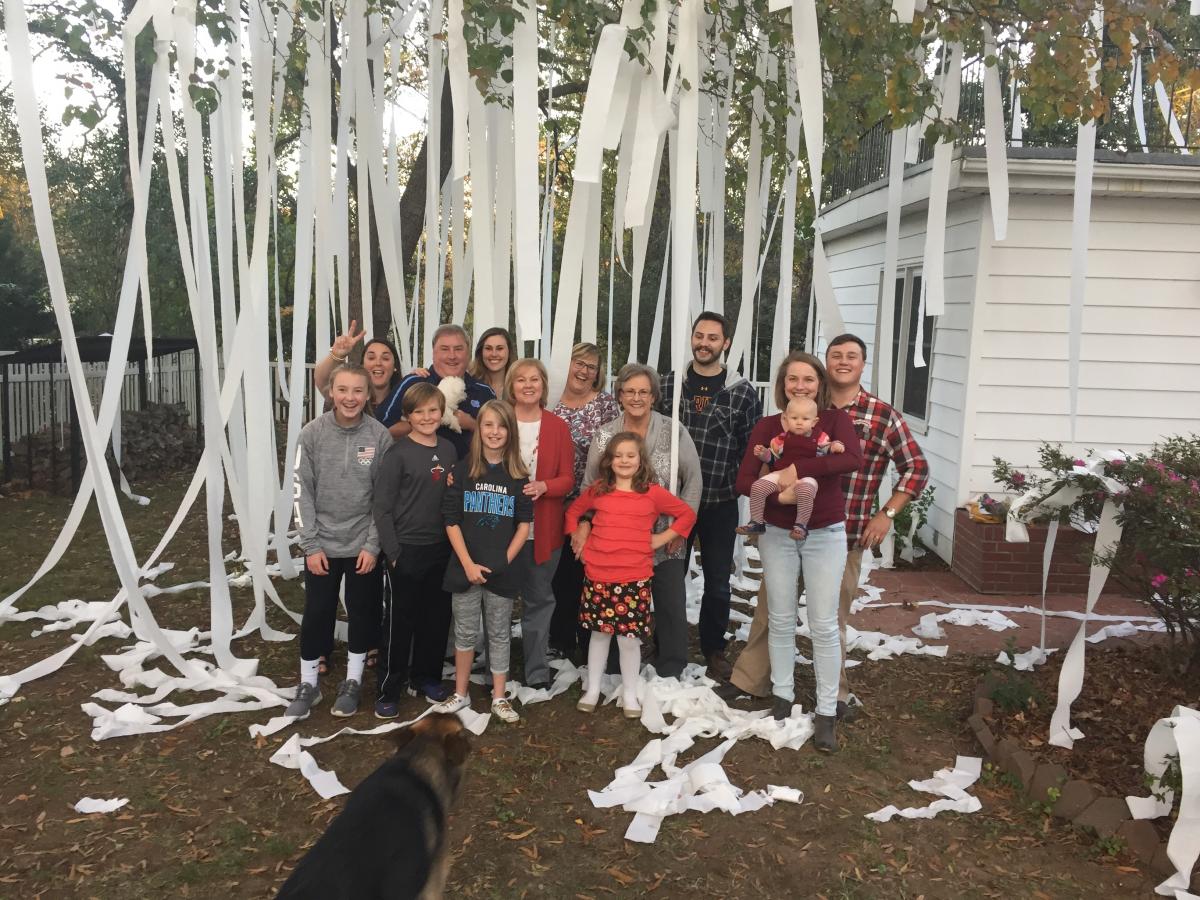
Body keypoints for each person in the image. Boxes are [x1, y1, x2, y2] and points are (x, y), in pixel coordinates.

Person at [723, 336, 930, 723]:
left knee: (830, 619)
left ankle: (833, 697)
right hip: (785, 530)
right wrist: (777, 489)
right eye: (836, 355)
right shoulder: (786, 421)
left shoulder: (877, 415)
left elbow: (915, 467)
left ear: (863, 364)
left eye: (851, 356)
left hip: (844, 532)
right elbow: (752, 475)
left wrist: (886, 513)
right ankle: (755, 682)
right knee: (772, 611)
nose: (843, 362)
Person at [733, 351, 860, 753]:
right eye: (792, 380)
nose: (799, 386)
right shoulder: (769, 425)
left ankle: (826, 711)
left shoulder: (834, 421)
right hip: (775, 532)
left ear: (819, 383)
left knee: (823, 624)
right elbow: (744, 479)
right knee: (782, 618)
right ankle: (783, 699)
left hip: (825, 533)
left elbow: (851, 459)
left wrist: (798, 473)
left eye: (807, 379)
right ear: (781, 385)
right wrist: (782, 494)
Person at [580, 364, 701, 678]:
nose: (636, 397)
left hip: (663, 535)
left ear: (654, 396)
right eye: (629, 391)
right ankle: (610, 668)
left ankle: (671, 666)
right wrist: (585, 524)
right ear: (620, 395)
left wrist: (679, 529)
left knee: (670, 601)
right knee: (613, 602)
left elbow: (693, 481)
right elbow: (589, 485)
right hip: (616, 542)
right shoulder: (606, 434)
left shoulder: (674, 431)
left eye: (643, 391)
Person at [659, 312, 761, 681]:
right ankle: (665, 643)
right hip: (674, 502)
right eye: (699, 336)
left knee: (718, 579)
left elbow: (751, 449)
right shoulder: (669, 385)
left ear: (726, 343)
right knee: (669, 574)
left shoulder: (743, 393)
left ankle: (713, 648)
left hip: (719, 502)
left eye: (713, 338)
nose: (704, 343)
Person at [288, 365, 393, 720]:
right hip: (323, 545)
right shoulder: (311, 434)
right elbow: (301, 491)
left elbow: (384, 498)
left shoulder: (380, 436)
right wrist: (311, 545)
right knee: (318, 611)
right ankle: (307, 684)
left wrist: (372, 545)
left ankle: (352, 681)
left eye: (358, 391)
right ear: (331, 392)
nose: (350, 398)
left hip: (362, 544)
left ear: (369, 395)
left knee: (363, 612)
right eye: (343, 390)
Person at [566, 433, 696, 717]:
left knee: (628, 639)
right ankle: (593, 688)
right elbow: (574, 511)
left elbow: (686, 514)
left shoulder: (652, 494)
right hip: (599, 575)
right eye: (618, 456)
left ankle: (630, 692)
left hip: (634, 577)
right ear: (609, 461)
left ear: (640, 460)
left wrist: (661, 539)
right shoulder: (598, 490)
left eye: (630, 455)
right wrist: (579, 539)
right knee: (599, 635)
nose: (624, 461)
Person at [433, 400, 531, 724]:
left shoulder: (517, 474)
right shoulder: (462, 470)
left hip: (500, 571)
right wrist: (467, 564)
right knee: (464, 631)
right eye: (488, 424)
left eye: (501, 426)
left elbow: (524, 524)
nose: (494, 432)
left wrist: (504, 559)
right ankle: (460, 693)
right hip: (465, 567)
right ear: (480, 430)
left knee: (499, 633)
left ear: (510, 432)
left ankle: (499, 697)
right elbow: (451, 520)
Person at [371, 383, 458, 716]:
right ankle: (389, 688)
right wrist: (392, 552)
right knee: (399, 622)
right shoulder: (398, 453)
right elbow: (382, 508)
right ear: (407, 416)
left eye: (433, 410)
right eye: (418, 411)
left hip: (441, 549)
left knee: (435, 619)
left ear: (442, 412)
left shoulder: (450, 450)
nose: (426, 417)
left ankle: (426, 677)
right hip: (405, 550)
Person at [505, 358, 576, 691]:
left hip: (543, 528)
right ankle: (498, 667)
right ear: (512, 385)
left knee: (539, 599)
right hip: (501, 529)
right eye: (521, 380)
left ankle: (535, 669)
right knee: (499, 602)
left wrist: (545, 486)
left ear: (544, 386)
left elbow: (568, 480)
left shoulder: (557, 426)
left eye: (535, 379)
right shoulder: (499, 420)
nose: (528, 385)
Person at [549, 343, 620, 661]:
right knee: (560, 572)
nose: (583, 371)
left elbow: (607, 453)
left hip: (591, 500)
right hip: (553, 500)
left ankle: (587, 637)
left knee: (585, 571)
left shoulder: (604, 406)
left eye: (591, 367)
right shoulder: (551, 403)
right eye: (578, 362)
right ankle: (560, 638)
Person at [377, 324, 495, 456]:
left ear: (468, 353)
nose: (452, 356)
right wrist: (426, 421)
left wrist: (472, 424)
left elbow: (502, 433)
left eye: (458, 349)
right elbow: (380, 428)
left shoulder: (484, 391)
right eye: (444, 349)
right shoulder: (413, 383)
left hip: (469, 473)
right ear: (434, 352)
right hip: (419, 473)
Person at [737, 396, 845, 541]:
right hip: (782, 473)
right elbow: (773, 459)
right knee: (758, 486)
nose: (799, 422)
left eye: (805, 419)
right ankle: (757, 522)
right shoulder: (781, 438)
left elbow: (827, 448)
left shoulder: (819, 437)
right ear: (787, 419)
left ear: (814, 422)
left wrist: (835, 446)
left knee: (806, 491)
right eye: (794, 418)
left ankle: (801, 526)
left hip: (808, 476)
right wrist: (764, 454)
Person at [467, 327, 516, 397]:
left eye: (500, 348)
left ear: (509, 351)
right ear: (481, 352)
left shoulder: (519, 386)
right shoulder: (468, 385)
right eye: (488, 348)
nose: (494, 354)